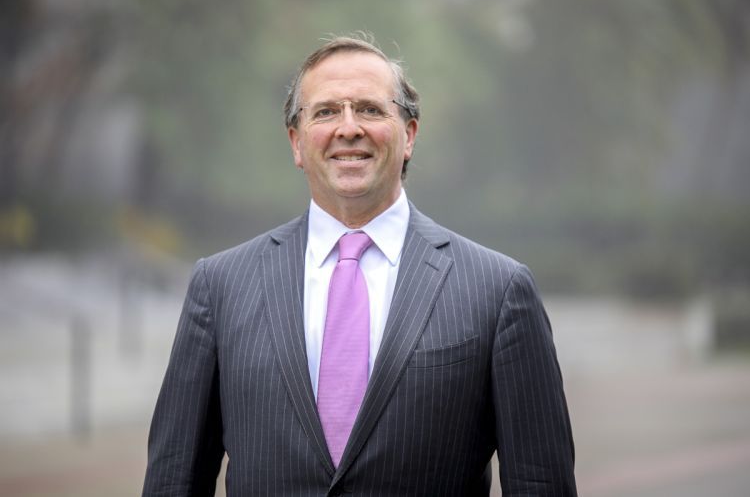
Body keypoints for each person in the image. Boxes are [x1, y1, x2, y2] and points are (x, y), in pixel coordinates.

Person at [143, 34, 577, 496]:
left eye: (370, 109)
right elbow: (175, 478)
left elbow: (539, 483)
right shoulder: (221, 286)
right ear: (296, 142)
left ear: (408, 135)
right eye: (326, 111)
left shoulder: (498, 289)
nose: (348, 128)